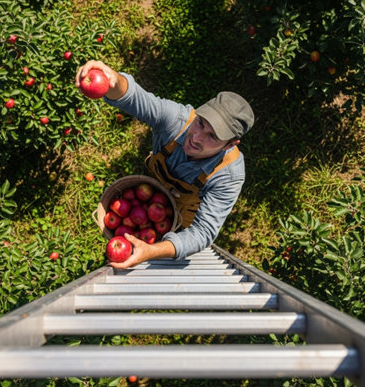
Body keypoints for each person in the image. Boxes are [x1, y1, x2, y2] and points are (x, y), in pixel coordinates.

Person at [75, 61, 255, 268]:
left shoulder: (228, 174)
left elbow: (203, 232)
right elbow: (136, 98)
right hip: (150, 195)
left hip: (182, 221)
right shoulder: (176, 121)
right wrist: (114, 81)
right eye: (200, 123)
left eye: (212, 137)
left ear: (230, 145)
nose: (196, 137)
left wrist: (152, 251)